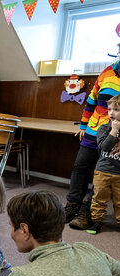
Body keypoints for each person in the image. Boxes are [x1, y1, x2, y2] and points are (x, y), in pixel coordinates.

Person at [65, 50, 120, 229]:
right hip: (93, 129)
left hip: (115, 135)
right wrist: (83, 124)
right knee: (80, 167)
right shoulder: (107, 72)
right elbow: (92, 99)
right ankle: (72, 206)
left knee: (102, 174)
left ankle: (87, 212)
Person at [87, 94, 120, 234]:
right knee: (99, 198)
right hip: (103, 170)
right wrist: (114, 131)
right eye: (109, 109)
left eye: (116, 109)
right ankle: (97, 221)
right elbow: (104, 147)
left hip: (119, 173)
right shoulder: (103, 128)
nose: (111, 112)